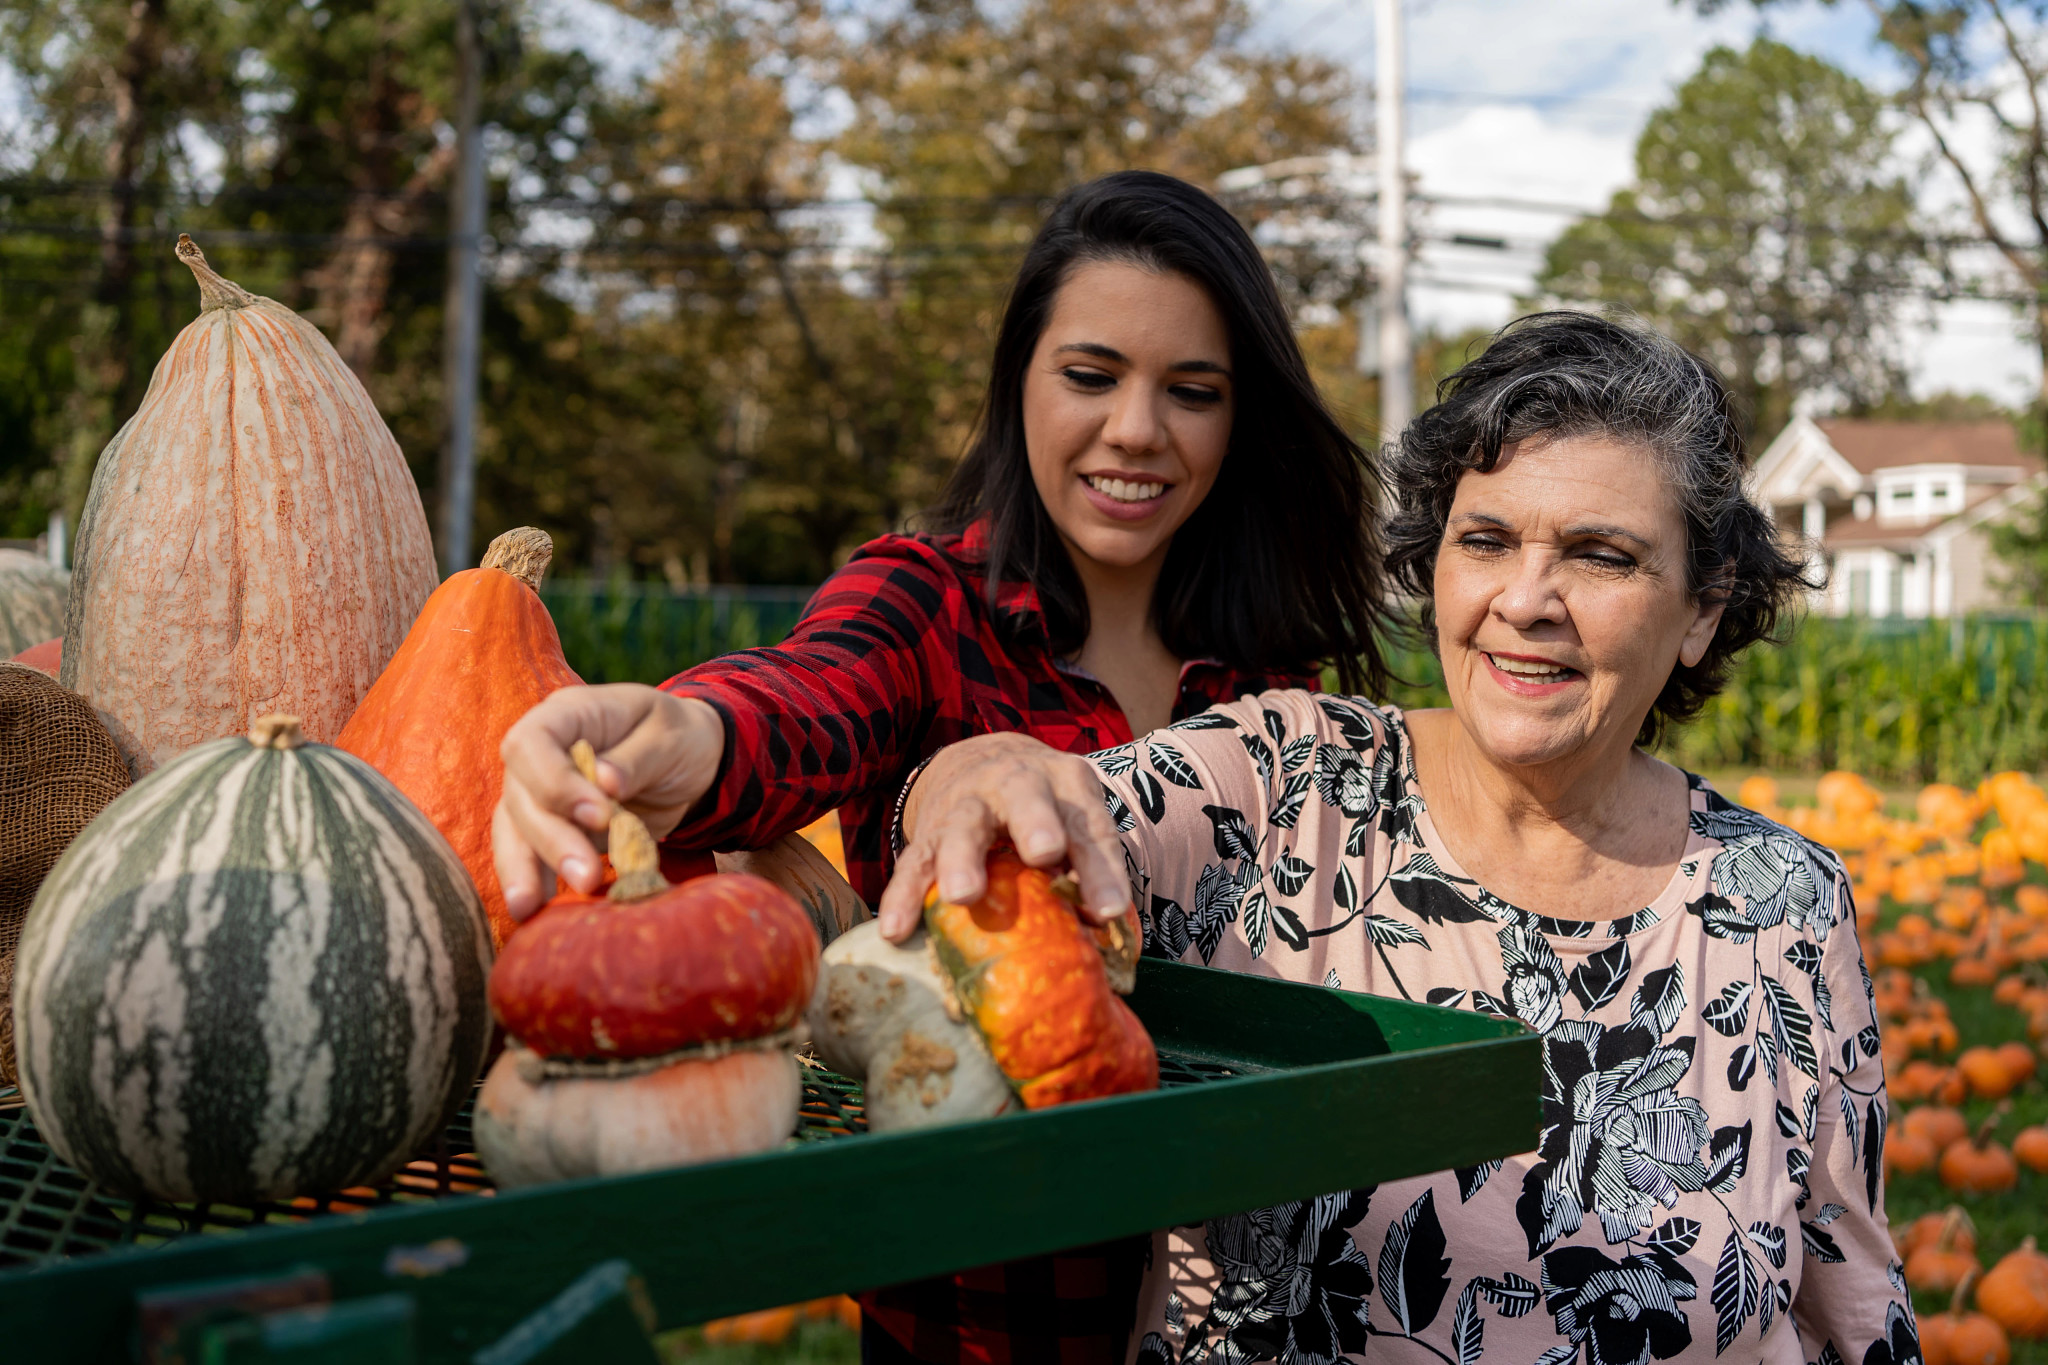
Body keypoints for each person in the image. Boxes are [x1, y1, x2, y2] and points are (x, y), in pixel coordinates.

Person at [877, 313, 1918, 1365]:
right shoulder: (1285, 789)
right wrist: (974, 771)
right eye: (1485, 542)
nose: (1524, 601)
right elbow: (1055, 818)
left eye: (1599, 557)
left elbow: (1852, 1307)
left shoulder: (1781, 899)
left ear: (1701, 610)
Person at [493, 170, 1394, 1362]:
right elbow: (806, 696)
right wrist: (689, 735)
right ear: (1017, 381)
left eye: (1192, 392)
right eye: (1088, 376)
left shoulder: (1276, 676)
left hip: (1229, 1314)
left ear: (1240, 419)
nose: (1135, 430)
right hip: (977, 1321)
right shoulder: (927, 601)